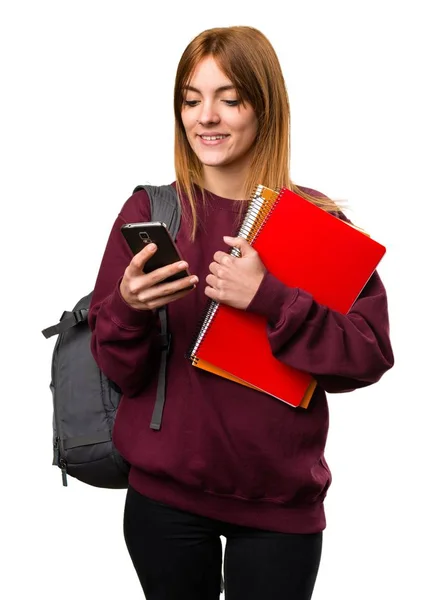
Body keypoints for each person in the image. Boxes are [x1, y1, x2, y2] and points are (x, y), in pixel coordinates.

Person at [88, 25, 394, 600]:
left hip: (279, 509)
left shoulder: (316, 223)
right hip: (164, 502)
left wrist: (270, 298)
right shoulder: (152, 209)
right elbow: (119, 371)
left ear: (264, 108)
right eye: (191, 99)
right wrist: (128, 309)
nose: (207, 116)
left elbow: (367, 357)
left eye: (230, 99)